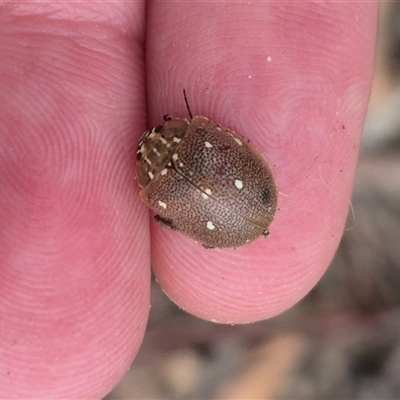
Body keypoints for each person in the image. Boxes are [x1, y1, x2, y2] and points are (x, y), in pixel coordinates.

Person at [0, 2, 378, 398]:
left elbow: (228, 145)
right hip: (207, 199)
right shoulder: (165, 179)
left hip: (228, 202)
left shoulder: (193, 144)